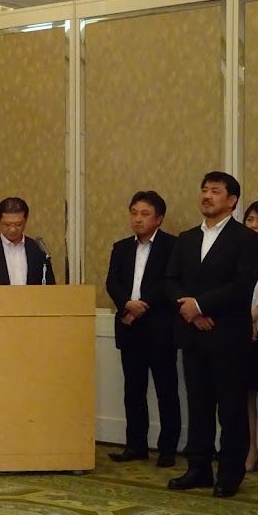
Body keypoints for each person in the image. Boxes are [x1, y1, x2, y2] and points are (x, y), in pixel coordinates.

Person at [166, 171, 258, 498]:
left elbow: (241, 285)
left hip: (229, 337)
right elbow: (170, 280)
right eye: (204, 189)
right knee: (199, 405)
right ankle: (198, 468)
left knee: (231, 409)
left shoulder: (247, 239)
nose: (207, 196)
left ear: (232, 200)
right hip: (193, 336)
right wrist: (190, 310)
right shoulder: (187, 238)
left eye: (215, 191)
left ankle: (230, 474)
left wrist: (201, 306)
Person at [104, 191, 180, 467]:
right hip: (129, 328)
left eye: (145, 214)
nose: (138, 219)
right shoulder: (121, 247)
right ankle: (135, 445)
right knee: (133, 390)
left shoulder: (173, 246)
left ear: (159, 218)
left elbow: (169, 284)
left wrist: (142, 307)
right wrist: (126, 305)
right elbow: (112, 282)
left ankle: (168, 448)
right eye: (134, 213)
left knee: (166, 390)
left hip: (159, 329)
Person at [0, 197, 56, 285]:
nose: (13, 230)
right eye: (7, 225)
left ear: (26, 220)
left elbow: (50, 287)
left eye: (18, 224)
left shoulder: (38, 250)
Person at [244, 201, 258, 473]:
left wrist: (250, 319)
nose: (254, 225)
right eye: (250, 219)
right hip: (245, 334)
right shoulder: (240, 252)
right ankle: (250, 450)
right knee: (247, 393)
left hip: (250, 325)